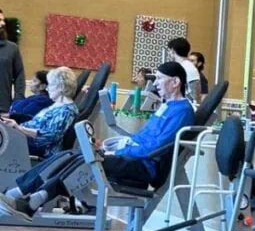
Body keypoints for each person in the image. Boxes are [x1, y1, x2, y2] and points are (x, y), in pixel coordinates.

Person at [0, 62, 195, 221]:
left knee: (85, 159)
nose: (156, 83)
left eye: (160, 79)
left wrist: (119, 151)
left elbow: (156, 146)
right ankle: (21, 196)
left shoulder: (182, 110)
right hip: (134, 158)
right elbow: (143, 138)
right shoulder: (167, 106)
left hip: (143, 166)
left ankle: (27, 200)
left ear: (175, 82)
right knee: (70, 155)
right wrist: (119, 143)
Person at [0, 67, 78, 160]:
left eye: (51, 85)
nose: (48, 89)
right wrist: (13, 121)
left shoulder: (66, 111)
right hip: (24, 138)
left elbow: (47, 137)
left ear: (61, 87)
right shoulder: (59, 104)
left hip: (36, 148)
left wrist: (18, 127)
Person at [0, 9, 26, 112]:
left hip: (3, 109)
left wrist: (18, 101)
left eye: (3, 20)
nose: (3, 23)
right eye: (0, 20)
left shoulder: (12, 48)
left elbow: (19, 76)